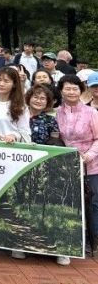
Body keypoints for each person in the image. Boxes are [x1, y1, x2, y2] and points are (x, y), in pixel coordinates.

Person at [57, 73, 98, 255]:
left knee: (93, 204)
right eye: (67, 88)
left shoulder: (92, 113)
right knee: (73, 204)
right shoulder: (58, 112)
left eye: (75, 88)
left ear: (81, 91)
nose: (71, 92)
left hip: (92, 165)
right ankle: (75, 239)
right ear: (61, 91)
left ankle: (93, 241)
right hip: (68, 165)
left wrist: (88, 155)